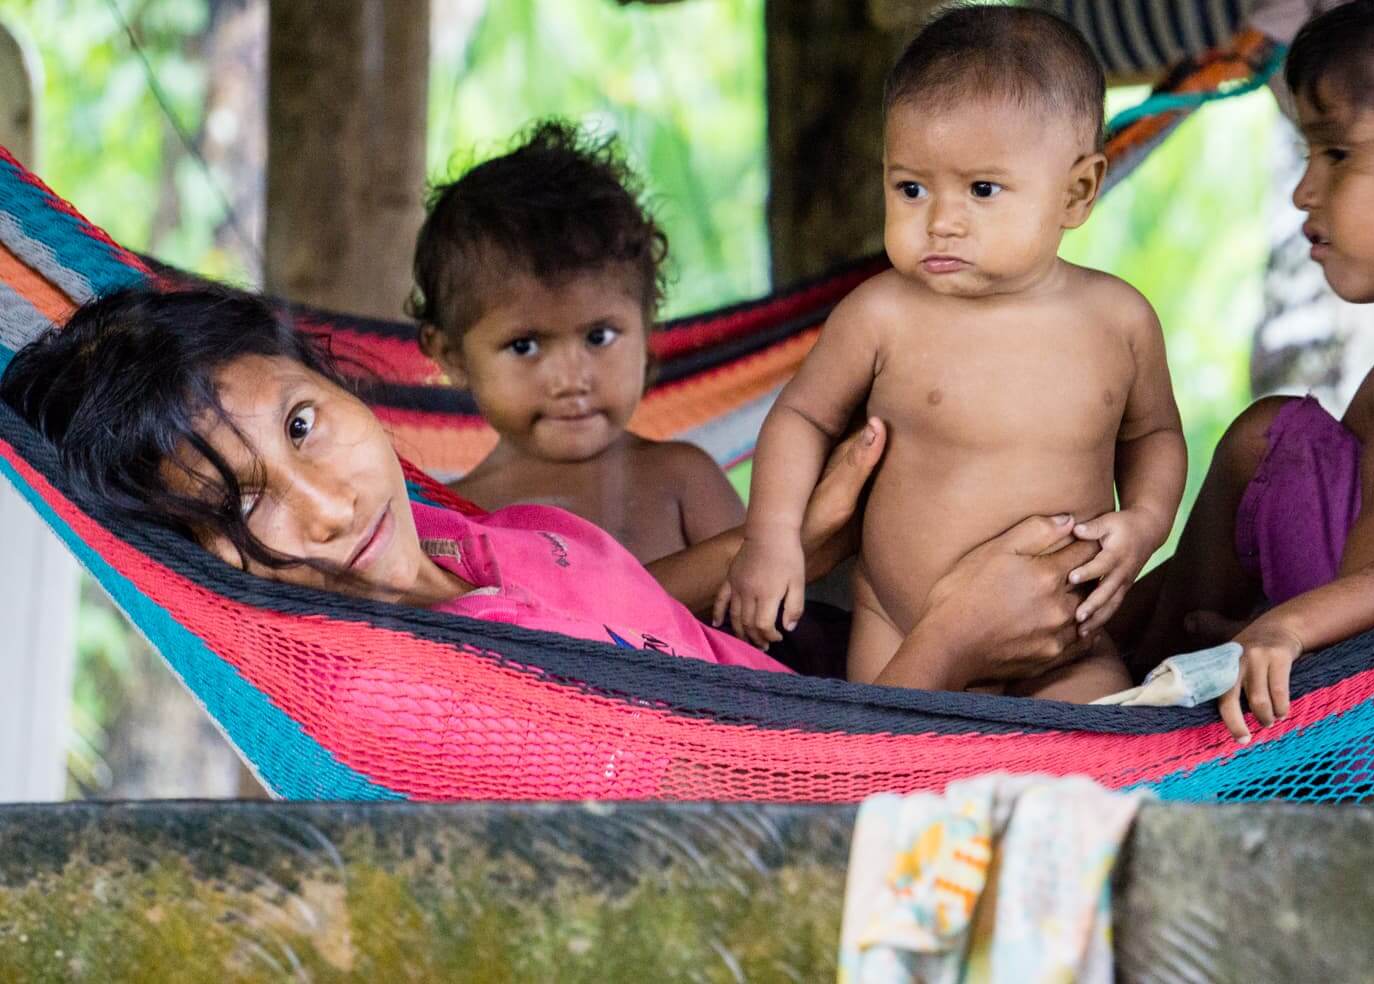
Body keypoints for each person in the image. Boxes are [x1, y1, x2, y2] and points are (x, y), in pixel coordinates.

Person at [0, 286, 1102, 692]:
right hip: (896, 757)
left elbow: (618, 608)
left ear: (340, 383)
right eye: (242, 508)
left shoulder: (450, 539)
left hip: (833, 682)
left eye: (303, 425)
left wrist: (793, 542)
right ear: (191, 568)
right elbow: (786, 829)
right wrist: (950, 644)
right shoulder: (435, 689)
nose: (327, 506)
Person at [719, 5, 1186, 699]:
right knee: (894, 769)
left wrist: (1145, 523)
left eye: (982, 189)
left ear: (1078, 191)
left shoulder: (1118, 320)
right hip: (899, 629)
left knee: (1098, 762)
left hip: (1064, 639)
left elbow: (1156, 436)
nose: (940, 221)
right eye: (911, 187)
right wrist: (773, 538)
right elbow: (801, 420)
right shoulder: (883, 313)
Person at [1113, 0, 1374, 741]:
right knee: (1272, 436)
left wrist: (1292, 623)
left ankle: (1104, 677)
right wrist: (1258, 622)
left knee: (1268, 433)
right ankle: (1102, 662)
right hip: (1329, 666)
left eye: (1338, 155)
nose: (1304, 190)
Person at [410, 120, 744, 568]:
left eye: (598, 336)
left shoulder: (683, 479)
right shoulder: (451, 524)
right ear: (451, 356)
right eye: (525, 345)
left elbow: (761, 616)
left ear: (647, 329)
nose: (570, 380)